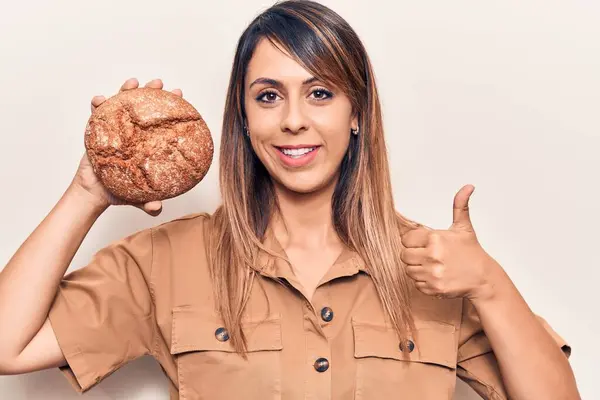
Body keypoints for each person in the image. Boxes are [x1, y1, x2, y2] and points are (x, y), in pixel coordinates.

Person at [0, 1, 580, 399]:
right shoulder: (164, 262)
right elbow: (9, 346)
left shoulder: (434, 266)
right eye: (269, 96)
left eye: (321, 93)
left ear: (356, 114)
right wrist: (90, 189)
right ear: (244, 118)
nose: (295, 121)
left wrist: (489, 284)